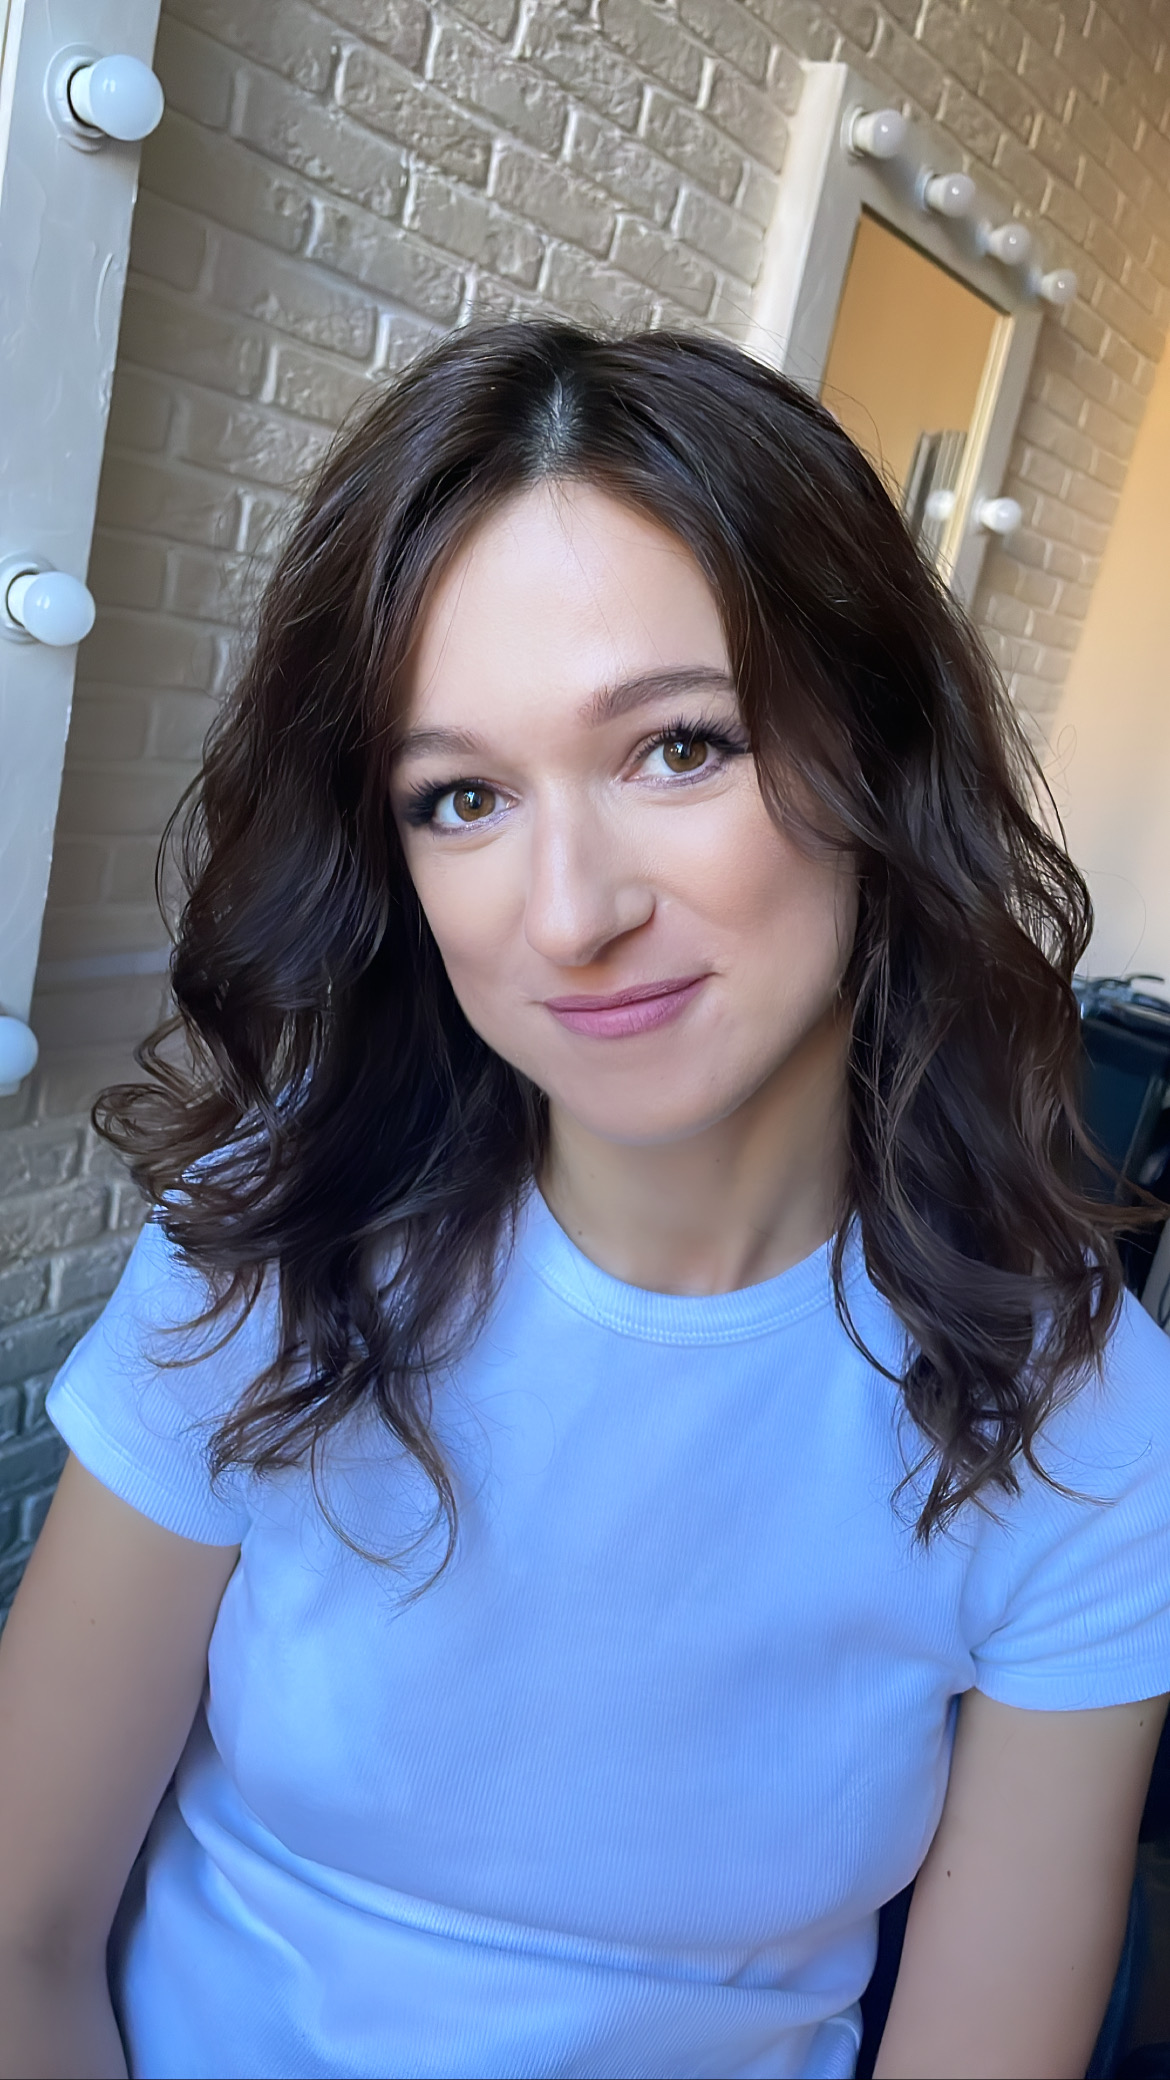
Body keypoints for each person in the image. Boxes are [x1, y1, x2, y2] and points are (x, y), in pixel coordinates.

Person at [0, 321, 1167, 2080]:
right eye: (460, 796)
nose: (568, 913)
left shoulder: (1084, 1424)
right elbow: (18, 1934)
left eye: (677, 748)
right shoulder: (267, 1257)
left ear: (877, 750)